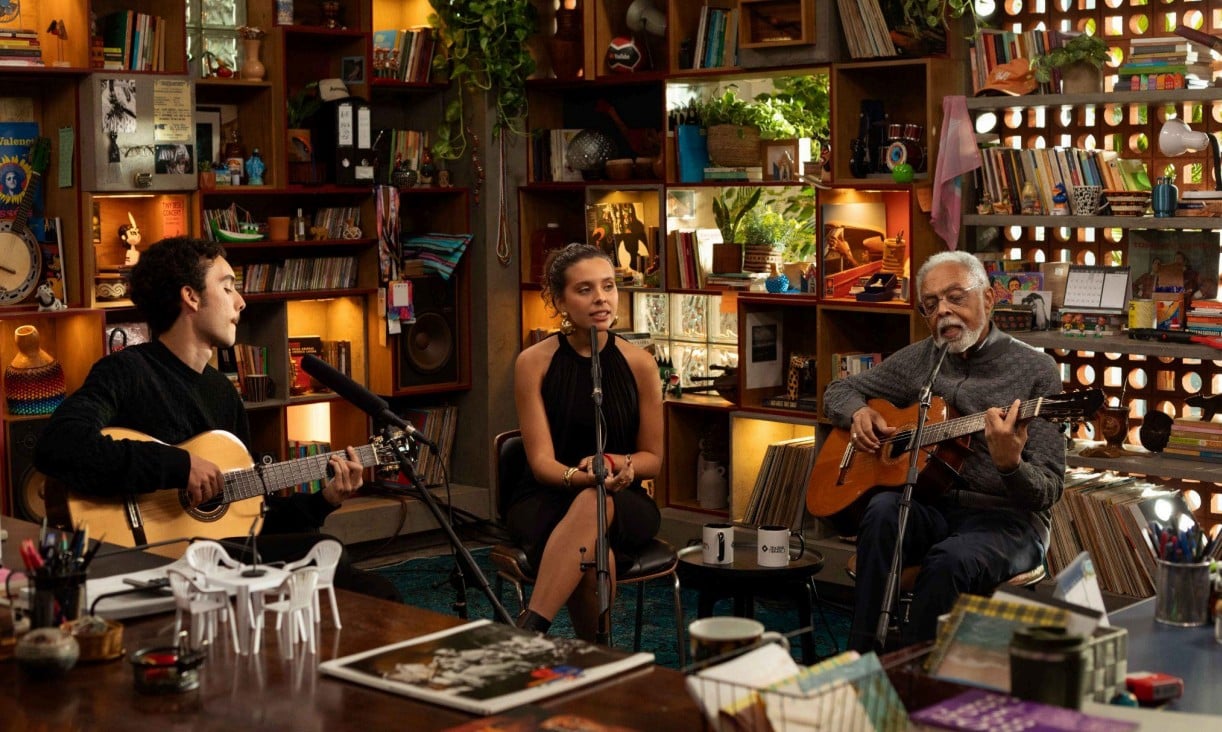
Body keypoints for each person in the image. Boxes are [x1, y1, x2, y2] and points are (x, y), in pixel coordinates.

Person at [34, 236, 400, 602]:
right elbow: (59, 444)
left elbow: (249, 520)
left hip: (217, 559)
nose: (241, 301)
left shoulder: (224, 394)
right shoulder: (127, 372)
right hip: (146, 561)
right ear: (191, 297)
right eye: (227, 288)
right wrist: (179, 465)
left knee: (375, 590)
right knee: (328, 555)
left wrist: (325, 501)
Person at [823, 250, 1064, 652]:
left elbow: (1050, 488)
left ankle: (920, 680)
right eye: (931, 304)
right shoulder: (923, 359)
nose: (944, 312)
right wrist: (859, 412)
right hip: (932, 507)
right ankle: (862, 656)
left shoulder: (1036, 371)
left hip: (1007, 520)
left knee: (947, 562)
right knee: (882, 510)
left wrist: (1010, 466)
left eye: (956, 297)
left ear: (988, 299)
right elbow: (839, 390)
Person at [508, 243, 663, 640]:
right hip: (548, 496)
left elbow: (653, 459)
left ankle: (531, 628)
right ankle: (598, 655)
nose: (601, 299)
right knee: (595, 549)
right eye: (585, 290)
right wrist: (584, 477)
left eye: (609, 287)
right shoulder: (533, 362)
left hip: (623, 498)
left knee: (598, 503)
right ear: (560, 300)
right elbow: (541, 461)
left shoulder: (641, 363)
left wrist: (612, 464)